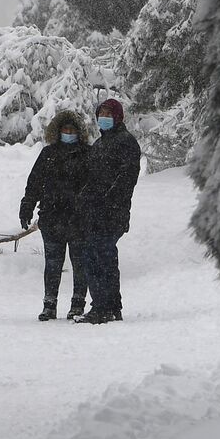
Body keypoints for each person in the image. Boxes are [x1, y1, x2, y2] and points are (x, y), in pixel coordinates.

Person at [19, 110, 91, 321]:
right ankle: (49, 304)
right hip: (52, 218)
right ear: (58, 131)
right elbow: (34, 183)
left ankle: (78, 304)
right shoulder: (48, 154)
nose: (68, 133)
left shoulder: (88, 154)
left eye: (72, 130)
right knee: (52, 264)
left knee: (80, 264)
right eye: (65, 129)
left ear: (79, 132)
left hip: (79, 219)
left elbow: (97, 185)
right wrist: (27, 205)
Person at [77, 97, 141, 324]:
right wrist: (84, 199)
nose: (103, 118)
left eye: (107, 114)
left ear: (117, 117)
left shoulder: (126, 142)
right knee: (99, 257)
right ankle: (111, 306)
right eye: (100, 114)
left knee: (99, 256)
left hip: (112, 212)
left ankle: (103, 307)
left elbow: (126, 179)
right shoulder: (99, 144)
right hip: (95, 213)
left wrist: (108, 200)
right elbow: (90, 178)